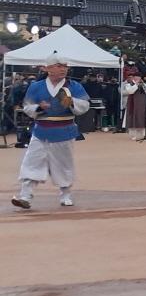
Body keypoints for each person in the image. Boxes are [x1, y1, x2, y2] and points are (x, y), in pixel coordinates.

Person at [11, 54, 91, 209]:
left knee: (63, 164)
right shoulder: (36, 86)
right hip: (40, 130)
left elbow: (85, 105)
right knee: (31, 161)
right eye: (59, 65)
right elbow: (27, 107)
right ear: (48, 68)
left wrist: (72, 102)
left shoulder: (73, 86)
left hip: (64, 129)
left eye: (65, 66)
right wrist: (39, 108)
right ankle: (25, 195)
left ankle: (65, 194)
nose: (63, 69)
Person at [119, 68, 146, 141]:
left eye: (139, 77)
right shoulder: (129, 84)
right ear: (134, 77)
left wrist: (143, 84)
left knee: (143, 118)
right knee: (133, 119)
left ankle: (144, 134)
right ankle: (133, 135)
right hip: (133, 104)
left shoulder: (143, 84)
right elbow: (130, 91)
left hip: (142, 104)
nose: (138, 78)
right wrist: (136, 84)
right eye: (136, 77)